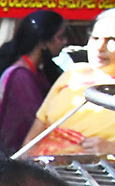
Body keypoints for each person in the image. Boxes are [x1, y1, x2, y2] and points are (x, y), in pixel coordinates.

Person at [24, 9, 115, 156]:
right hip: (43, 171)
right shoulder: (74, 73)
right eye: (95, 38)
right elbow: (35, 133)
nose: (99, 48)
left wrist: (111, 148)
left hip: (95, 175)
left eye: (112, 40)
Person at [0, 10, 68, 154]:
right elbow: (28, 126)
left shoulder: (35, 73)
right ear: (43, 42)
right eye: (60, 37)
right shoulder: (21, 77)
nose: (65, 42)